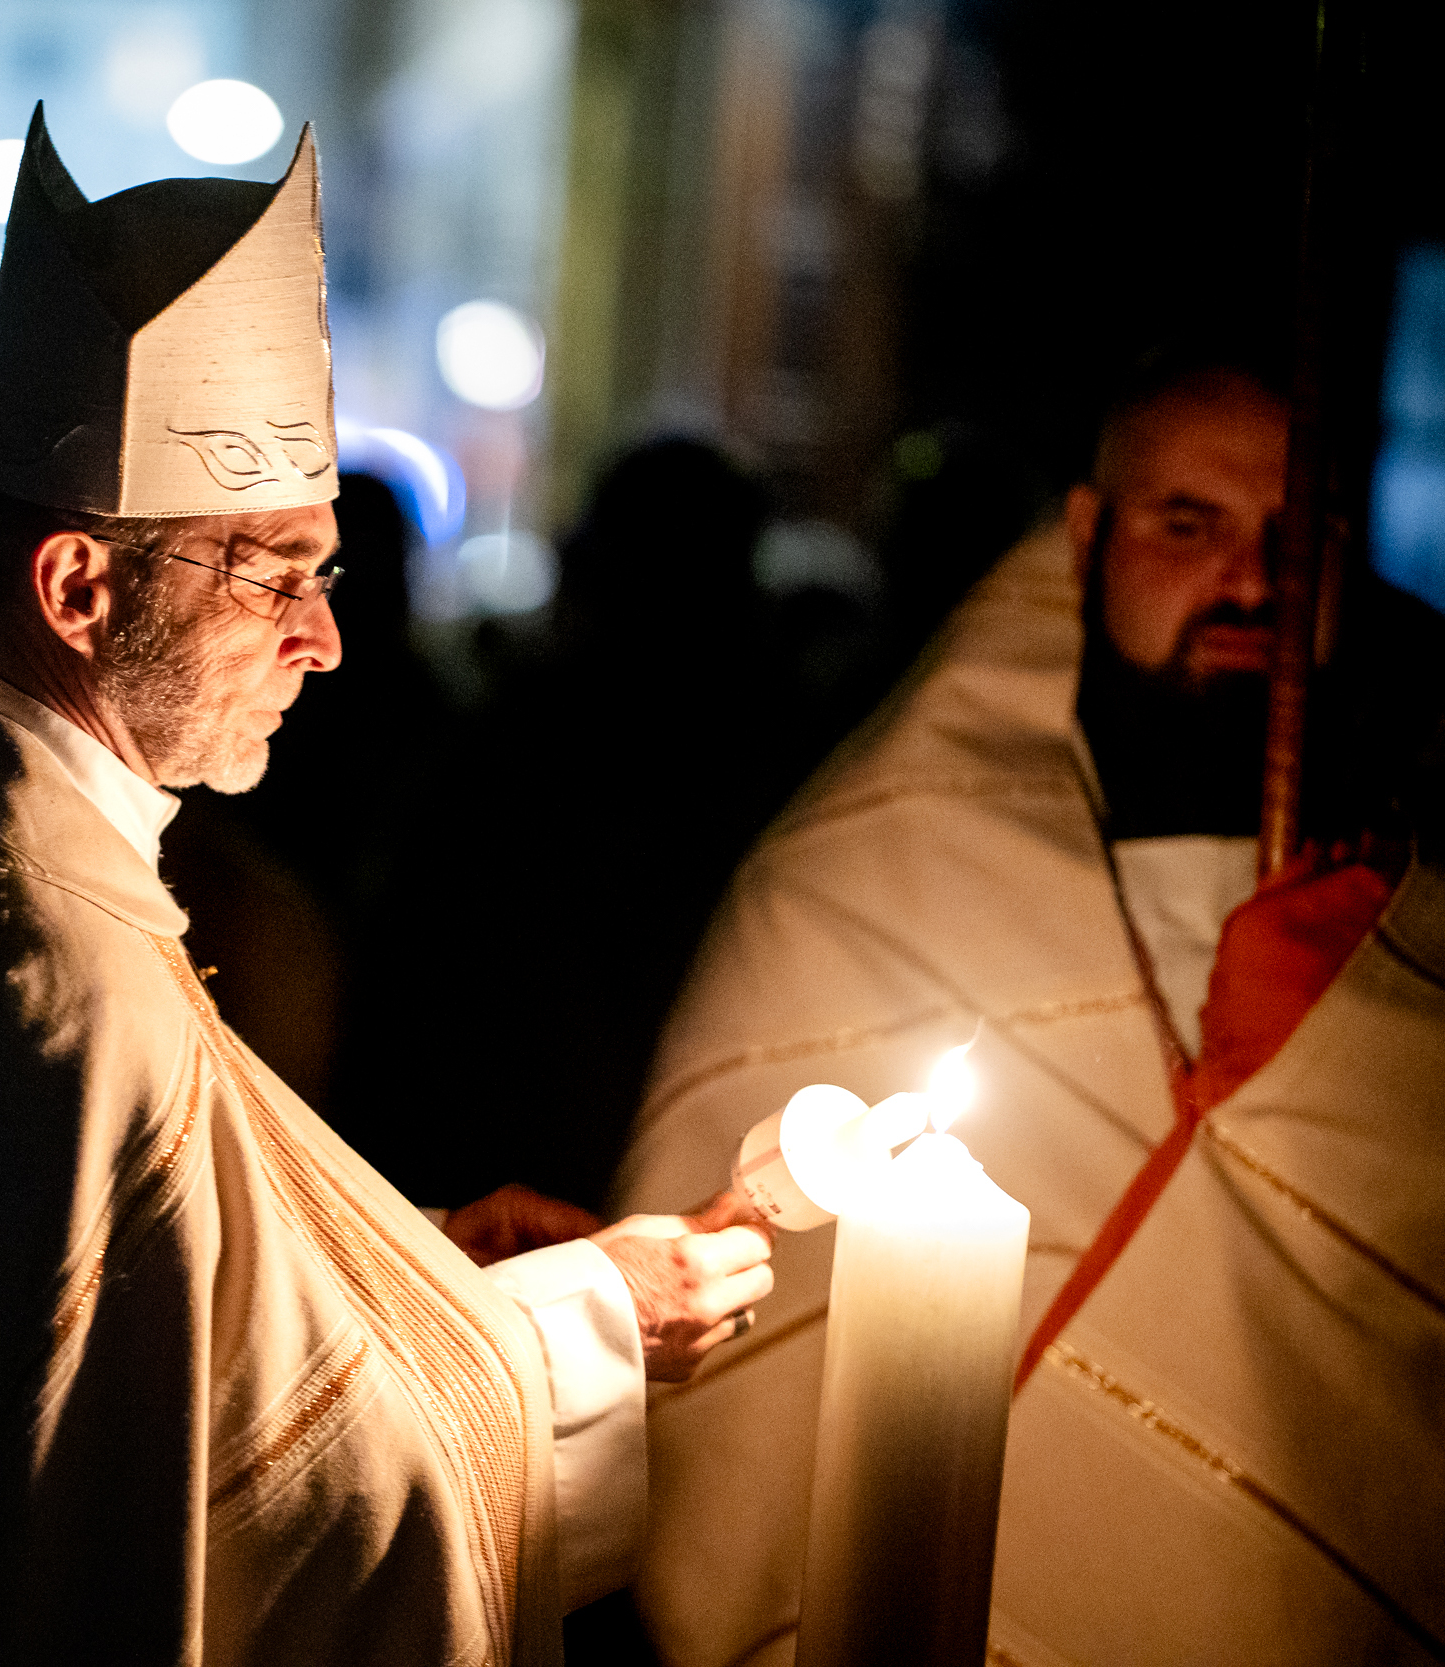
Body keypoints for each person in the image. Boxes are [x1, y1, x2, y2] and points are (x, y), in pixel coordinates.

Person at [0, 110, 773, 1666]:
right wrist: (582, 1327)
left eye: (324, 572)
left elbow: (123, 1336)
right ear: (77, 585)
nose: (325, 639)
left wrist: (411, 1269)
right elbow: (172, 1527)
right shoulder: (31, 958)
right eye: (271, 570)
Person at [614, 351, 1445, 1664]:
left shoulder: (1416, 927)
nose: (1251, 584)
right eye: (1188, 525)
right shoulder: (869, 882)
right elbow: (746, 1393)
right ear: (1086, 535)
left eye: (1301, 540)